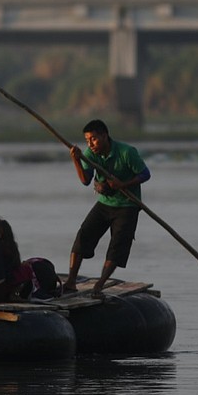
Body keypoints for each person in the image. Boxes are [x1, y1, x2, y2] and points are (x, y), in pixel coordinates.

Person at [63, 119, 150, 297]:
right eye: (87, 140)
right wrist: (76, 160)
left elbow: (145, 174)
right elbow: (85, 180)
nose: (90, 144)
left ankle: (99, 286)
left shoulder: (127, 152)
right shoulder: (90, 153)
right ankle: (71, 282)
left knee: (117, 246)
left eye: (94, 139)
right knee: (83, 236)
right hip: (104, 204)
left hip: (127, 206)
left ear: (104, 136)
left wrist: (123, 184)